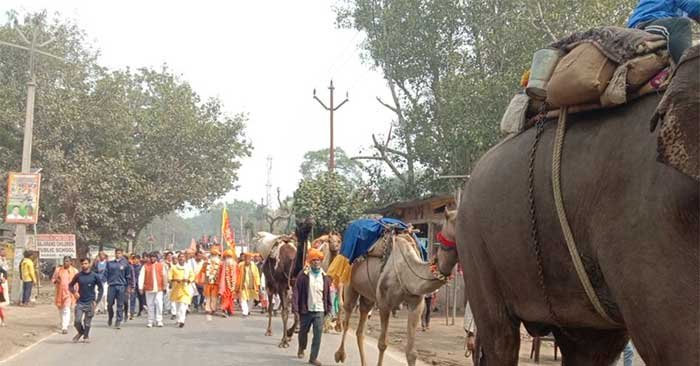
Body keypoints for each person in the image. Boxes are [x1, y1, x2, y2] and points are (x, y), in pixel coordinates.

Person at [293, 248, 332, 366]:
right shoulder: (303, 275)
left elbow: (327, 294)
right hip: (306, 310)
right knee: (303, 333)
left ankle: (313, 357)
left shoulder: (325, 277)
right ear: (310, 262)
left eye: (318, 260)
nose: (316, 262)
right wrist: (295, 308)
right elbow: (296, 291)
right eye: (314, 260)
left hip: (319, 310)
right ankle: (301, 347)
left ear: (321, 262)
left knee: (318, 335)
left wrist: (329, 309)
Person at [628, 0, 700, 63]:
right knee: (680, 25)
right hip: (645, 24)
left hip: (660, 24)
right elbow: (693, 7)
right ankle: (685, 72)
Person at [69, 258, 104, 343]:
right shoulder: (78, 275)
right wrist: (74, 292)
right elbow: (70, 285)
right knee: (77, 321)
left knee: (87, 322)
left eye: (86, 263)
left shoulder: (95, 276)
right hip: (80, 302)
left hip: (90, 302)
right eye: (82, 264)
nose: (84, 265)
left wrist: (97, 301)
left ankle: (86, 336)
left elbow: (101, 289)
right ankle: (80, 332)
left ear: (89, 264)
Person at [138, 252, 168, 328]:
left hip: (159, 288)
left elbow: (165, 276)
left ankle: (159, 320)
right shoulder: (145, 266)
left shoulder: (161, 266)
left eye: (154, 257)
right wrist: (140, 287)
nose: (152, 258)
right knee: (150, 305)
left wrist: (165, 286)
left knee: (159, 304)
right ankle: (150, 321)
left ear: (156, 258)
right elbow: (141, 277)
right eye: (151, 257)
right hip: (149, 288)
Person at [104, 248, 132, 328]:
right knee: (109, 304)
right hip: (112, 286)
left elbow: (128, 276)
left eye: (119, 253)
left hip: (121, 286)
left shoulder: (126, 264)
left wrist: (128, 287)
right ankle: (110, 317)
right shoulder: (110, 263)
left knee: (120, 305)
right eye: (116, 253)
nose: (118, 254)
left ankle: (118, 321)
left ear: (122, 254)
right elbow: (105, 274)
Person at [52, 256, 78, 334]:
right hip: (59, 292)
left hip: (69, 293)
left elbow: (77, 282)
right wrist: (56, 280)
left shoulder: (74, 271)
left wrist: (76, 292)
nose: (65, 263)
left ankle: (64, 327)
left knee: (66, 309)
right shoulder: (58, 270)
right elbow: (53, 279)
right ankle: (62, 322)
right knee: (61, 309)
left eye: (67, 261)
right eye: (64, 261)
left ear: (70, 262)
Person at [169, 253, 194, 327]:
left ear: (185, 259)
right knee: (177, 306)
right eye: (180, 258)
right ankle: (178, 319)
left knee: (183, 306)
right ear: (178, 259)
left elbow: (192, 276)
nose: (181, 259)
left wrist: (188, 280)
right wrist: (175, 280)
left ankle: (182, 321)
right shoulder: (173, 268)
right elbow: (169, 277)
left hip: (185, 289)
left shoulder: (188, 268)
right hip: (176, 289)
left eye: (183, 258)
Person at [236, 252, 260, 318]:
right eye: (246, 259)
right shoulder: (240, 265)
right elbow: (237, 274)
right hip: (243, 285)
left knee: (251, 299)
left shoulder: (254, 266)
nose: (247, 261)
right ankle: (245, 312)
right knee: (242, 298)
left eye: (249, 259)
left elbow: (257, 275)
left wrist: (258, 283)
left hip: (252, 285)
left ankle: (248, 310)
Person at [200, 248, 221, 319]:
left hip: (216, 282)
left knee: (214, 297)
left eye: (215, 254)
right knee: (208, 296)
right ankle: (209, 309)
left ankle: (213, 308)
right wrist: (203, 280)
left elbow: (221, 273)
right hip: (208, 282)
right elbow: (203, 272)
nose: (214, 256)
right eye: (213, 254)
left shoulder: (220, 263)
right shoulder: (206, 263)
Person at [218, 249, 238, 317]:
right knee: (225, 297)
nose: (228, 258)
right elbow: (220, 274)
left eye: (230, 256)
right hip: (225, 285)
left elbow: (237, 274)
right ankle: (224, 309)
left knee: (231, 298)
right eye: (227, 256)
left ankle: (229, 310)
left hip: (233, 284)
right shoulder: (222, 264)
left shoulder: (235, 264)